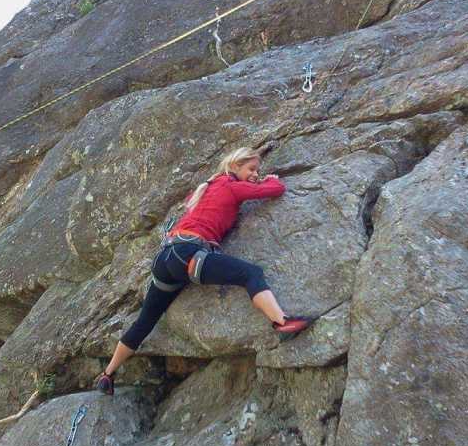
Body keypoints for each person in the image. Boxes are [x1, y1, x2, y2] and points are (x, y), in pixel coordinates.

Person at [94, 146, 315, 395]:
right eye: (251, 169)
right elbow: (275, 190)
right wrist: (270, 179)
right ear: (234, 167)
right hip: (189, 254)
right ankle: (280, 321)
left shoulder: (207, 188)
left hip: (166, 258)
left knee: (146, 320)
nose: (256, 174)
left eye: (258, 170)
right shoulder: (230, 185)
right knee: (250, 273)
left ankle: (108, 374)